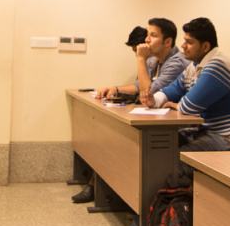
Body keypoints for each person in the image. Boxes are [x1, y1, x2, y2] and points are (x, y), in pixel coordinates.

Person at [100, 17, 230, 226]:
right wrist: (155, 99)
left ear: (205, 46)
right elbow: (168, 93)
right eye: (184, 41)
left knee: (166, 166)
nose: (183, 46)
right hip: (210, 133)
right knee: (153, 154)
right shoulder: (194, 66)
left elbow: (187, 107)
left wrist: (176, 103)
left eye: (189, 42)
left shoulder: (217, 65)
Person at [78, 19, 186, 204]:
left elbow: (148, 92)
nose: (147, 40)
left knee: (122, 139)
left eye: (152, 35)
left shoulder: (177, 62)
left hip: (173, 127)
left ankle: (122, 195)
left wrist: (140, 58)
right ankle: (101, 187)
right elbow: (137, 86)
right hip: (155, 118)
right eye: (148, 35)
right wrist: (115, 89)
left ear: (167, 42)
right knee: (112, 133)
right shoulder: (155, 61)